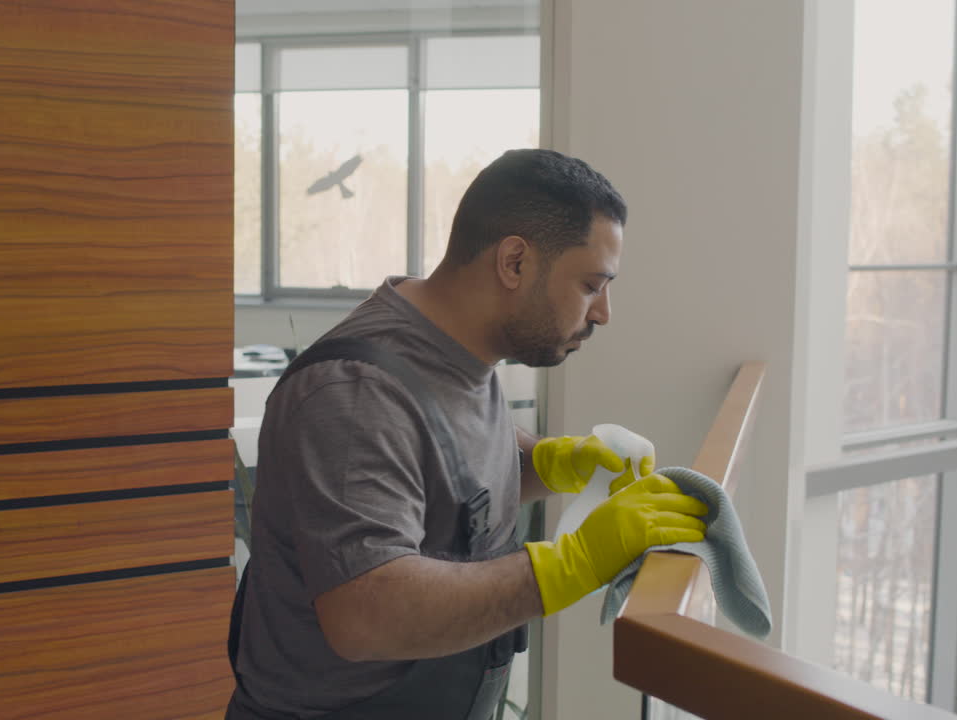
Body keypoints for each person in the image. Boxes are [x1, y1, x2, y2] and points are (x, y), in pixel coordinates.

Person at [226, 149, 710, 719]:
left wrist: (548, 461)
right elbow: (366, 615)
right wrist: (572, 562)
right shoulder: (355, 393)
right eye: (590, 285)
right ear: (514, 262)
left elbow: (443, 472)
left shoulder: (454, 350)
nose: (603, 312)